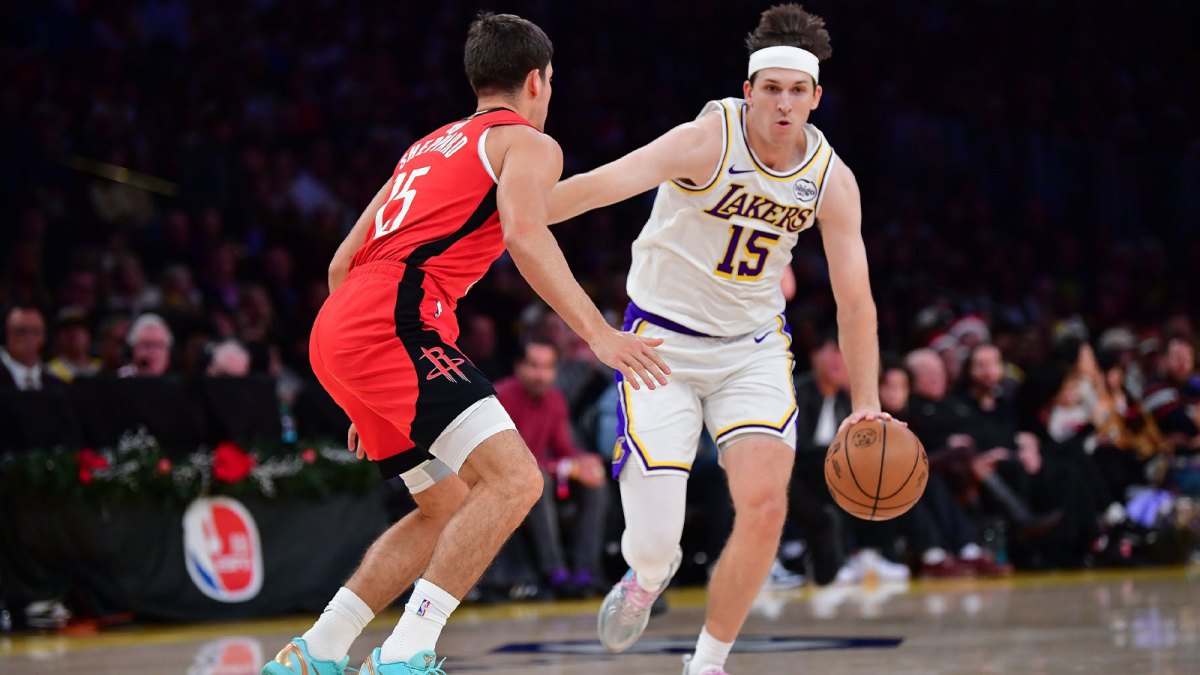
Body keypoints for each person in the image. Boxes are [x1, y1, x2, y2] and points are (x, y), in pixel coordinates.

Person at [263, 13, 668, 675]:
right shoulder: (530, 143)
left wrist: (362, 392)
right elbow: (526, 234)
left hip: (341, 326)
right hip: (394, 320)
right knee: (514, 480)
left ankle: (316, 650)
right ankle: (405, 652)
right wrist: (598, 333)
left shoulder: (425, 146)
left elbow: (341, 263)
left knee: (444, 502)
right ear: (537, 81)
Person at [549, 6, 894, 673]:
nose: (784, 103)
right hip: (660, 348)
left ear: (817, 97)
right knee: (653, 543)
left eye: (798, 91)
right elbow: (602, 185)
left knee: (765, 507)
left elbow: (856, 301)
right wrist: (516, 212)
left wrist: (866, 400)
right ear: (749, 91)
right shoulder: (705, 140)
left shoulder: (831, 179)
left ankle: (707, 662)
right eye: (772, 89)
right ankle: (646, 577)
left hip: (751, 349)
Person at [494, 337, 609, 598]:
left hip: (538, 474)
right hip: (502, 480)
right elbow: (510, 461)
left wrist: (584, 462)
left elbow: (564, 449)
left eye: (547, 367)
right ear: (518, 367)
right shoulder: (501, 398)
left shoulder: (554, 399)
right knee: (540, 479)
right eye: (534, 366)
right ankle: (554, 573)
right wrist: (566, 468)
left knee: (595, 484)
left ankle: (586, 572)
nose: (540, 375)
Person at [0, 306, 65, 391]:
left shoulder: (59, 388)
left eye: (36, 332)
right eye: (21, 332)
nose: (29, 338)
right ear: (5, 335)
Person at [116, 312, 173, 377]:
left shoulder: (178, 384)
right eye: (146, 345)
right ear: (132, 350)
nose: (153, 352)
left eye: (159, 345)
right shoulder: (120, 379)